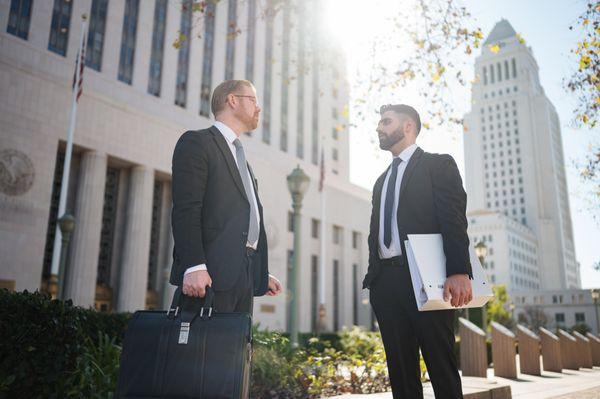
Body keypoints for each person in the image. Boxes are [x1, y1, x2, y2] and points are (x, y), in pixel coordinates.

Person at [362, 104, 473, 398]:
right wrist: (374, 282)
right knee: (401, 375)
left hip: (427, 279)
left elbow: (454, 219)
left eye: (386, 122)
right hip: (386, 285)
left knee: (442, 367)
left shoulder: (438, 165)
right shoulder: (380, 181)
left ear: (408, 126)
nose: (379, 128)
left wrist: (459, 270)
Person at [170, 79, 282, 313]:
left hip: (244, 278)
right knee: (203, 349)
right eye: (253, 100)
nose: (258, 108)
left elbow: (238, 221)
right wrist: (193, 266)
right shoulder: (197, 143)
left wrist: (260, 273)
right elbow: (186, 209)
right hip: (209, 277)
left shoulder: (243, 161)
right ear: (232, 100)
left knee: (236, 349)